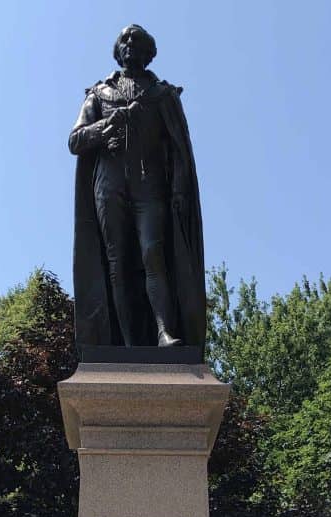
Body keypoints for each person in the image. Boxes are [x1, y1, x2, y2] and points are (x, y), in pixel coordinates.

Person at [69, 25, 205, 351]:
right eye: (124, 39)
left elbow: (179, 149)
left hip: (151, 186)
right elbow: (75, 140)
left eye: (137, 40)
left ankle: (163, 333)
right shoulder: (99, 94)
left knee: (152, 254)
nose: (130, 44)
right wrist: (108, 125)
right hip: (109, 185)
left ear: (148, 51)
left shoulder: (163, 95)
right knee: (117, 264)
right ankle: (129, 345)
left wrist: (180, 190)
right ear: (118, 49)